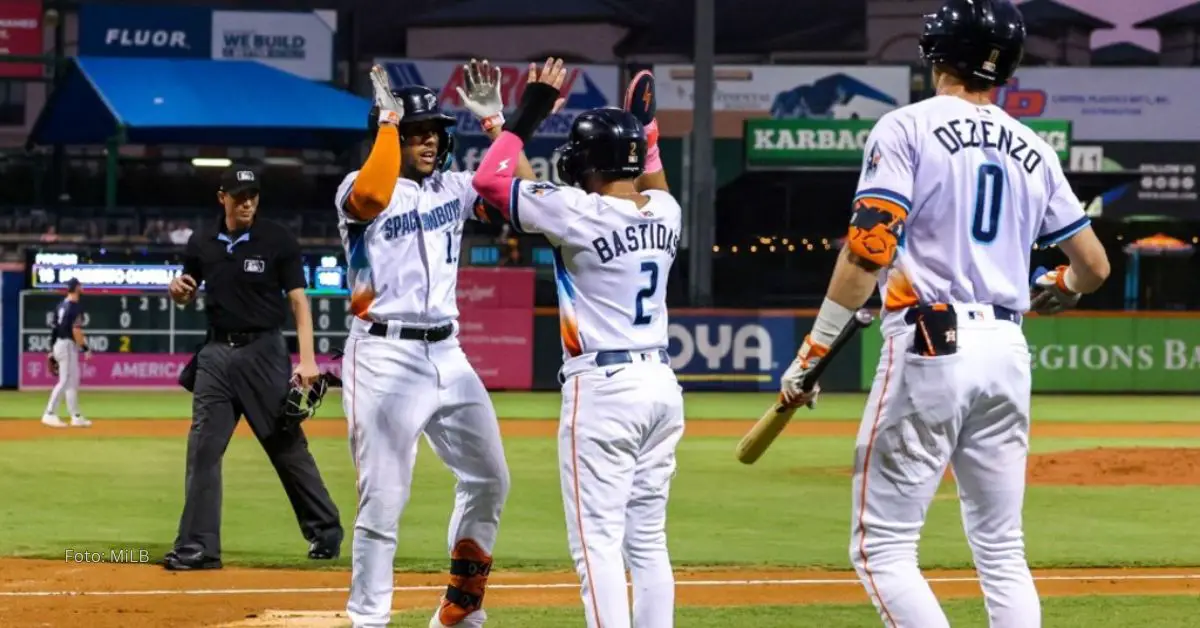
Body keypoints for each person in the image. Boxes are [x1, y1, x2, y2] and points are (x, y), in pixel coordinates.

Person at [778, 1, 1111, 627]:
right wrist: (1062, 284)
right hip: (1007, 348)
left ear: (934, 53)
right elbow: (1093, 266)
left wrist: (812, 354)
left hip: (933, 339)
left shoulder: (906, 126)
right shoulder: (1034, 147)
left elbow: (868, 250)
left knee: (882, 549)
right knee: (1003, 550)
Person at [336, 58, 553, 628]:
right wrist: (387, 125)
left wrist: (497, 126)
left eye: (434, 131)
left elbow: (526, 201)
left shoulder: (454, 188)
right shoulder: (358, 190)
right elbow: (371, 196)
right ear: (393, 136)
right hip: (382, 353)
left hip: (447, 354)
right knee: (383, 499)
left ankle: (461, 608)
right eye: (417, 133)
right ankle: (368, 620)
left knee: (490, 478)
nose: (430, 141)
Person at [471, 68, 684, 628]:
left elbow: (491, 184)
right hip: (661, 385)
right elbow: (651, 179)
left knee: (597, 546)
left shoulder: (580, 213)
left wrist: (526, 113)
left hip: (605, 390)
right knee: (648, 541)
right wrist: (648, 131)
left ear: (588, 161)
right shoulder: (666, 212)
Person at [163, 165, 343, 571]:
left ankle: (325, 528)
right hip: (216, 355)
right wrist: (177, 290)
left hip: (264, 352)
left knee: (285, 447)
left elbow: (299, 301)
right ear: (222, 197)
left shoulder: (276, 239)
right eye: (239, 195)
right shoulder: (202, 242)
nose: (247, 202)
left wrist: (309, 359)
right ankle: (198, 547)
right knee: (203, 450)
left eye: (253, 196)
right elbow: (185, 291)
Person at [42, 278, 91, 428]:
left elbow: (54, 329)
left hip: (59, 344)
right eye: (80, 285)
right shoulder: (75, 307)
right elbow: (76, 330)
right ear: (76, 288)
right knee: (65, 381)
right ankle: (49, 413)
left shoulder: (60, 306)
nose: (82, 287)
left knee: (72, 381)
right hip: (67, 345)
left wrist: (51, 350)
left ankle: (75, 416)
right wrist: (85, 348)